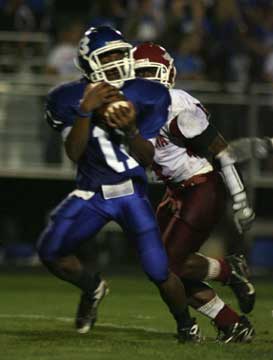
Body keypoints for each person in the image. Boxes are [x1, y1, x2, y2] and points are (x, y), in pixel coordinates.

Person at [37, 26, 190, 341]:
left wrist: (132, 129)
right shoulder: (67, 98)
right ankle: (92, 286)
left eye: (121, 53)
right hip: (91, 193)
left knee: (159, 271)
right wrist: (84, 111)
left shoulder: (149, 93)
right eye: (108, 55)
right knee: (50, 251)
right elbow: (75, 153)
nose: (117, 60)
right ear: (89, 62)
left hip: (132, 194)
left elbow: (147, 159)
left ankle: (187, 326)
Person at [133, 42, 256, 343]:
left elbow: (222, 152)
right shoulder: (133, 107)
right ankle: (231, 323)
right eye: (141, 73)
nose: (147, 80)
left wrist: (239, 197)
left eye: (153, 72)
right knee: (157, 267)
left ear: (169, 74)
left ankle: (228, 271)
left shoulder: (176, 104)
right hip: (175, 191)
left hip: (201, 188)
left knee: (167, 266)